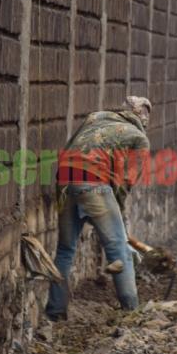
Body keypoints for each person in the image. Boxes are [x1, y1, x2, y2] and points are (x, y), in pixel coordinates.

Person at [45, 96, 152, 321]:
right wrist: (118, 213)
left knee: (65, 250)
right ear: (142, 118)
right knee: (118, 250)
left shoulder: (94, 119)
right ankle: (132, 314)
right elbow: (127, 182)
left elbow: (67, 151)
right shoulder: (138, 138)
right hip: (94, 184)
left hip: (65, 180)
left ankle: (54, 313)